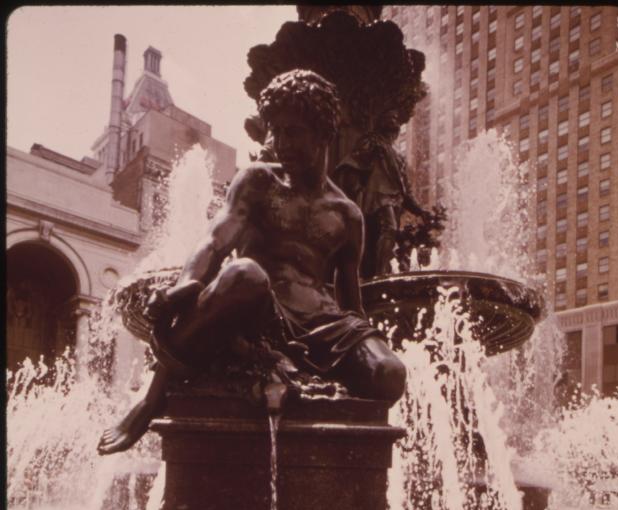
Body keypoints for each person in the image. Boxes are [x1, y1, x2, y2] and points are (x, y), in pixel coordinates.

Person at [97, 69, 406, 456]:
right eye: (275, 131)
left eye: (292, 132)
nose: (280, 143)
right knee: (243, 273)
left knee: (389, 374)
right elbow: (214, 241)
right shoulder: (258, 182)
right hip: (259, 309)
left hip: (326, 326)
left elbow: (351, 304)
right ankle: (151, 400)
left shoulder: (348, 215)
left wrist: (368, 343)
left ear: (324, 131)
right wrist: (184, 285)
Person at [335, 110, 433, 278]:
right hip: (377, 196)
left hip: (394, 201)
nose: (394, 121)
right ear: (381, 123)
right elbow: (353, 162)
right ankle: (380, 275)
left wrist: (420, 211)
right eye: (390, 118)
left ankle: (378, 271)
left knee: (381, 237)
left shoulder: (398, 157)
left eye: (396, 119)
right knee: (390, 229)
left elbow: (406, 191)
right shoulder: (372, 142)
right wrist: (355, 189)